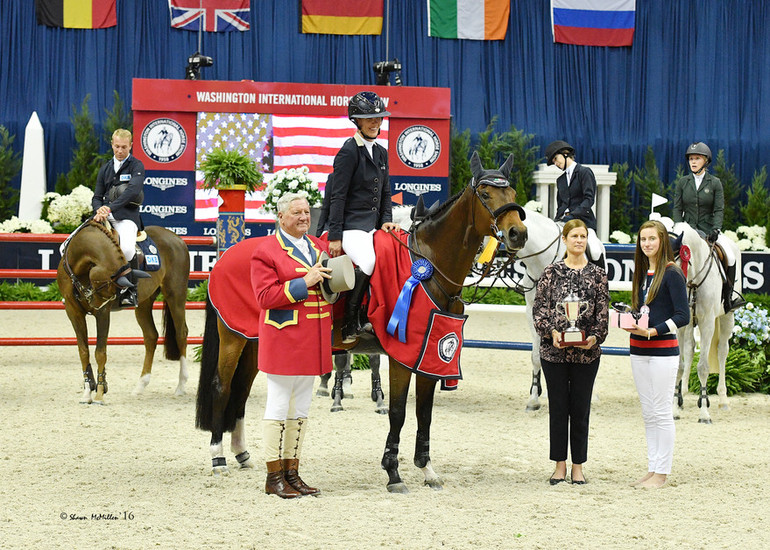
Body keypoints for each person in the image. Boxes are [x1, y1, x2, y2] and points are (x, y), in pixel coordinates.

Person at [251, 192, 334, 499]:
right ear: (281, 217)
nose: (303, 217)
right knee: (277, 406)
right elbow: (264, 298)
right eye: (297, 212)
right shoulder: (266, 251)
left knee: (300, 409)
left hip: (313, 338)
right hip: (285, 339)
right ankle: (273, 477)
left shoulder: (317, 247)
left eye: (306, 212)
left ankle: (292, 473)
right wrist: (305, 282)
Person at [532, 219, 610, 486]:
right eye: (574, 236)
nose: (579, 240)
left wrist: (594, 337)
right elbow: (539, 310)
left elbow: (602, 315)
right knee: (558, 409)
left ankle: (578, 466)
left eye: (583, 236)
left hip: (586, 355)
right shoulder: (550, 273)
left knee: (580, 410)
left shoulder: (598, 275)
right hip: (554, 355)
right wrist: (551, 332)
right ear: (564, 240)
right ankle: (559, 465)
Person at [320, 91, 400, 343]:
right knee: (367, 262)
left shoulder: (381, 152)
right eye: (369, 119)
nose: (375, 122)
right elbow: (338, 196)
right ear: (357, 121)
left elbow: (386, 191)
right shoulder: (348, 152)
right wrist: (335, 236)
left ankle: (375, 317)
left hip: (374, 226)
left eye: (378, 118)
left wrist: (386, 218)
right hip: (352, 226)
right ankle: (349, 321)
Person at [623, 220, 690, 489]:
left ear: (662, 241)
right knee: (648, 412)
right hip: (638, 350)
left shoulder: (672, 273)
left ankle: (662, 472)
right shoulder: (641, 273)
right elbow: (644, 309)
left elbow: (683, 315)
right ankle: (652, 467)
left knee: (661, 412)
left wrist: (654, 331)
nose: (647, 244)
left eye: (652, 239)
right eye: (643, 240)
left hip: (662, 351)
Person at [672, 142, 745, 311]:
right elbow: (677, 208)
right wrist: (679, 226)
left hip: (708, 231)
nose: (693, 162)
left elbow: (719, 209)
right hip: (687, 232)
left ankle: (728, 298)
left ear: (706, 161)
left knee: (730, 256)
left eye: (697, 158)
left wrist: (715, 229)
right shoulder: (683, 182)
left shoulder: (715, 183)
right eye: (691, 158)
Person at [92, 128, 145, 308]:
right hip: (103, 216)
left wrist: (109, 208)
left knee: (128, 249)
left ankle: (130, 291)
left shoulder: (137, 166)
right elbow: (97, 196)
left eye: (124, 147)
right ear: (112, 145)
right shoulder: (105, 168)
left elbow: (132, 191)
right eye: (117, 146)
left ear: (130, 146)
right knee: (69, 243)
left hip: (125, 217)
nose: (120, 150)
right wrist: (99, 210)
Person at [545, 140, 604, 266]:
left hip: (584, 222)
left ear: (566, 154)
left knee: (595, 250)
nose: (556, 163)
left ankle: (600, 279)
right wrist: (555, 221)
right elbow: (560, 205)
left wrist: (572, 215)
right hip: (564, 224)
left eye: (556, 159)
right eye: (554, 161)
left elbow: (589, 199)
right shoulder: (560, 180)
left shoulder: (584, 172)